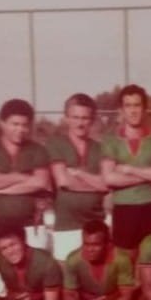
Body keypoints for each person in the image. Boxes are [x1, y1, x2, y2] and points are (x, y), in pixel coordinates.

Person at [0, 98, 53, 294]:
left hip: (31, 227)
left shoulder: (37, 150)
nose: (20, 130)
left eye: (25, 125)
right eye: (14, 124)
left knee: (35, 283)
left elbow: (40, 182)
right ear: (2, 123)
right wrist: (20, 177)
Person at [100, 84, 151, 254]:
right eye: (128, 106)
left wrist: (128, 169)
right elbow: (109, 178)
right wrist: (150, 177)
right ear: (121, 110)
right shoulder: (111, 139)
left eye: (137, 105)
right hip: (123, 208)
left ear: (145, 108)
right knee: (125, 261)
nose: (133, 111)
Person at [47, 93, 108, 261]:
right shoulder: (56, 143)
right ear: (66, 118)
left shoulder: (100, 148)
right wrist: (95, 182)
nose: (80, 123)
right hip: (67, 226)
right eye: (75, 117)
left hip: (96, 225)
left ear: (92, 120)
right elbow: (64, 181)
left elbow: (106, 185)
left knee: (96, 278)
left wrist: (79, 173)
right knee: (67, 278)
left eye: (85, 118)